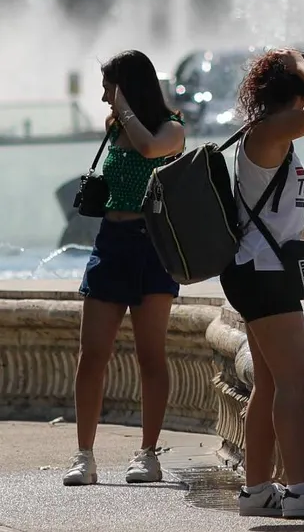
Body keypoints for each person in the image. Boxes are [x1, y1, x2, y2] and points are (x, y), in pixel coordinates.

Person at [218, 48, 304, 519]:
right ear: (296, 90)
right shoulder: (270, 128)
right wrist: (301, 64)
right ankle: (300, 489)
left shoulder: (265, 132)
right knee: (296, 381)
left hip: (257, 267)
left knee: (272, 384)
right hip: (262, 274)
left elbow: (262, 207)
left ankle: (257, 489)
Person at [65, 50, 187, 486]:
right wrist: (121, 114)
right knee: (92, 353)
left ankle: (148, 453)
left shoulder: (171, 127)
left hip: (153, 246)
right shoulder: (115, 126)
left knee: (150, 354)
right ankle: (84, 455)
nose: (103, 97)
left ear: (128, 87)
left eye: (108, 87)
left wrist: (126, 111)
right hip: (111, 244)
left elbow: (151, 148)